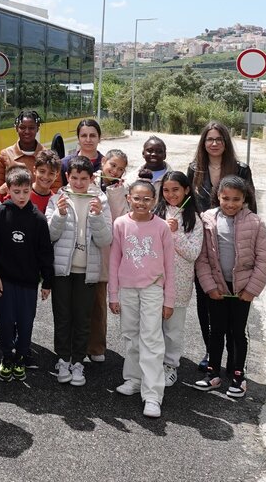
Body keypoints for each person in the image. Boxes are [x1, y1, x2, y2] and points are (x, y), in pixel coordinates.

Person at [187, 120, 258, 370]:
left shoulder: (241, 169)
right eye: (210, 139)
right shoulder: (194, 169)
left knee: (234, 307)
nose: (214, 143)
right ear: (203, 143)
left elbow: (251, 210)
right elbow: (187, 205)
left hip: (232, 245)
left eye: (219, 139)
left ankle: (234, 358)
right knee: (206, 301)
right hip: (204, 245)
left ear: (226, 142)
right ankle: (211, 352)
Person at [194, 175, 266, 398]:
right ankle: (213, 373)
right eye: (225, 198)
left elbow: (264, 259)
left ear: (244, 198)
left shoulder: (255, 223)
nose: (230, 203)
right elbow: (202, 259)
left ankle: (238, 376)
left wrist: (251, 290)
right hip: (217, 287)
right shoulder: (207, 219)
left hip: (242, 290)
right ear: (218, 196)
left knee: (237, 332)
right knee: (216, 330)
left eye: (236, 199)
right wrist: (209, 286)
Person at [109, 180, 176, 419]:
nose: (141, 203)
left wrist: (169, 299)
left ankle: (152, 395)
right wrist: (113, 294)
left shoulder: (161, 228)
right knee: (130, 334)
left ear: (155, 201)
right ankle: (134, 379)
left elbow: (170, 264)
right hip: (127, 288)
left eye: (147, 199)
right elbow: (115, 259)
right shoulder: (120, 224)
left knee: (151, 338)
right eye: (137, 198)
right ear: (128, 198)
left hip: (152, 289)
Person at [46, 155, 112, 387]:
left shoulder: (100, 200)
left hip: (88, 270)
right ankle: (62, 359)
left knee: (83, 317)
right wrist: (60, 215)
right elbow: (50, 236)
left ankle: (78, 361)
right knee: (62, 315)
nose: (79, 182)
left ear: (92, 178)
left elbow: (106, 239)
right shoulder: (58, 198)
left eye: (84, 178)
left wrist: (96, 217)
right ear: (67, 176)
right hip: (63, 269)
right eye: (74, 178)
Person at [0, 167, 54, 383]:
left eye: (25, 191)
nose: (21, 196)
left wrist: (47, 281)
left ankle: (21, 357)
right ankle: (7, 357)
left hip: (28, 282)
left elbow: (45, 252)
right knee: (5, 321)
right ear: (9, 191)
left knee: (25, 322)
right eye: (16, 191)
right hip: (4, 280)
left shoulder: (39, 219)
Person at [153, 171, 203, 387]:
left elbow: (193, 253)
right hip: (153, 279)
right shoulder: (155, 213)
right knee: (152, 325)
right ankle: (152, 362)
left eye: (176, 190)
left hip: (180, 282)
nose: (171, 194)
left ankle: (170, 364)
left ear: (187, 190)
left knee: (173, 328)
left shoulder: (194, 219)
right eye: (166, 190)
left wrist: (175, 233)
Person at [87, 148, 129, 363]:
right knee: (78, 301)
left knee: (98, 303)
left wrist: (116, 192)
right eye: (112, 165)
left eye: (120, 169)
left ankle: (96, 346)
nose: (115, 171)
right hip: (83, 248)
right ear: (103, 161)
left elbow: (119, 220)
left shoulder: (121, 190)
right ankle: (77, 345)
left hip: (105, 253)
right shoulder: (87, 179)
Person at [0, 111, 45, 196]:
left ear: (37, 128)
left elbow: (55, 186)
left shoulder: (47, 156)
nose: (27, 131)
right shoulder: (5, 155)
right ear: (16, 128)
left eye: (31, 128)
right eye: (22, 127)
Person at [60, 118, 104, 185]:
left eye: (92, 136)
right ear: (78, 138)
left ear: (99, 138)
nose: (88, 140)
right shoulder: (64, 164)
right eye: (84, 136)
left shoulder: (107, 166)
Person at [29, 149, 61, 214]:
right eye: (42, 171)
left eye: (51, 173)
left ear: (56, 175)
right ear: (34, 170)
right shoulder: (22, 194)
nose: (46, 177)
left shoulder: (55, 201)